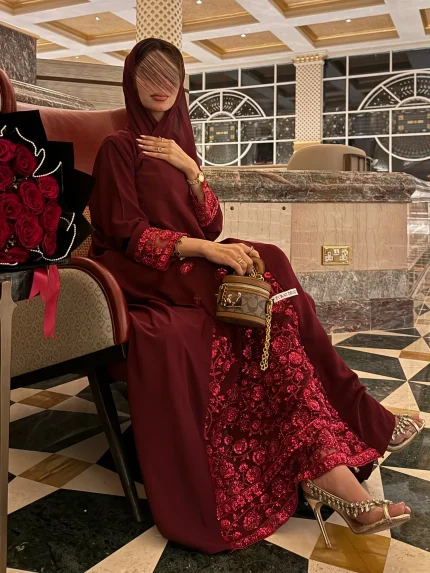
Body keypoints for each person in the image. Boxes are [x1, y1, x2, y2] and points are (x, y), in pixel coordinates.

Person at [89, 38, 424, 553]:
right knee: (270, 294)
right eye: (148, 73)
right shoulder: (120, 145)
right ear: (130, 80)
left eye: (170, 75)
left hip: (192, 260)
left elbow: (211, 222)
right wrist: (208, 250)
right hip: (146, 269)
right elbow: (125, 232)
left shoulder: (180, 145)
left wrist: (192, 171)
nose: (160, 85)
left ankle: (330, 466)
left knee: (274, 274)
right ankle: (349, 447)